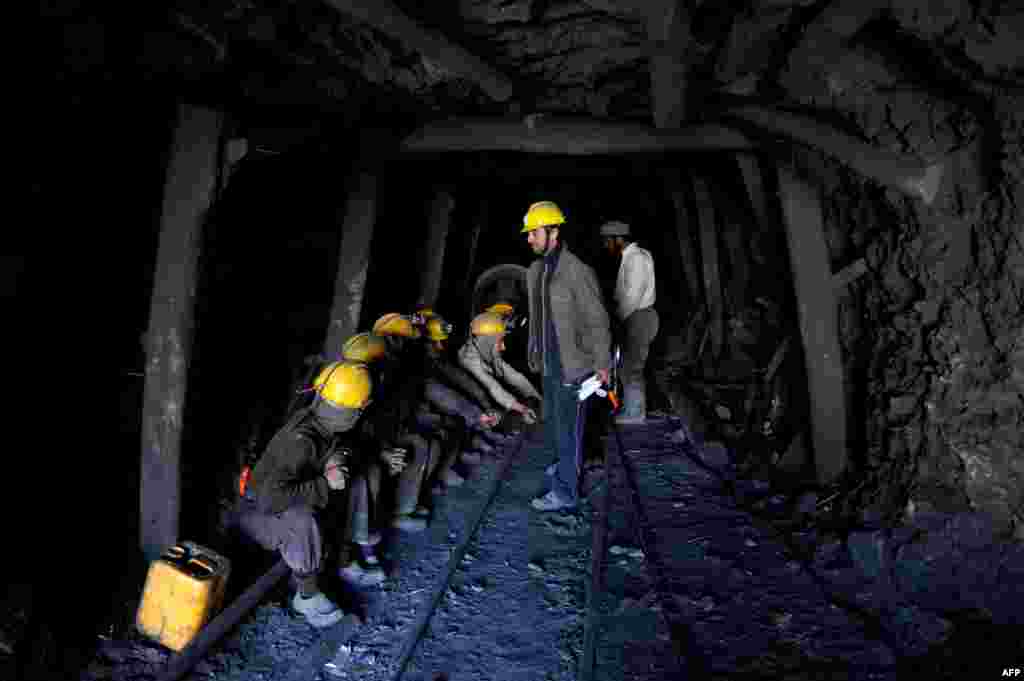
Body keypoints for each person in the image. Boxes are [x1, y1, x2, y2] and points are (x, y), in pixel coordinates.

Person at [231, 361, 374, 628]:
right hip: (254, 514)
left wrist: (335, 459)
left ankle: (343, 557)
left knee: (350, 482)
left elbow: (336, 445)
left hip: (273, 502)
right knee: (302, 518)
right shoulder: (302, 441)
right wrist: (324, 484)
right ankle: (306, 595)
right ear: (352, 411)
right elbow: (269, 500)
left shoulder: (318, 419)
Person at [522, 201, 612, 512]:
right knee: (558, 425)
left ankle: (565, 492)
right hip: (548, 362)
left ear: (554, 232)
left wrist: (602, 365)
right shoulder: (536, 270)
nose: (529, 239)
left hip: (574, 366)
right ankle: (565, 466)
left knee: (570, 429)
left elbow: (597, 321)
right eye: (529, 233)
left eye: (534, 232)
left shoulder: (577, 272)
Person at [600, 220, 659, 424]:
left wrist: (615, 320)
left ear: (618, 239)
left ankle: (635, 413)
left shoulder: (636, 259)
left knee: (631, 367)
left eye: (608, 241)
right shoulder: (632, 257)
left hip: (639, 317)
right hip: (635, 316)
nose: (606, 246)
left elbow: (633, 297)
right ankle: (631, 408)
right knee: (627, 365)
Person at [458, 311, 542, 431]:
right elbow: (493, 387)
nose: (503, 346)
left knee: (516, 377)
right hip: (478, 378)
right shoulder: (469, 360)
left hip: (486, 354)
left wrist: (536, 398)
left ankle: (539, 399)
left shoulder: (488, 334)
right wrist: (522, 409)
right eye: (499, 341)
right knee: (485, 395)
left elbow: (513, 376)